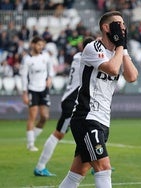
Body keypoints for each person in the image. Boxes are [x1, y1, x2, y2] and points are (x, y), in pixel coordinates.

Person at [59, 11, 138, 188]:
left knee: (78, 172)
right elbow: (111, 68)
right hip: (87, 117)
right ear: (106, 27)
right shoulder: (93, 47)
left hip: (103, 119)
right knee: (104, 168)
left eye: (124, 24)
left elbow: (132, 77)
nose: (123, 27)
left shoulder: (118, 52)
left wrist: (122, 48)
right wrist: (119, 48)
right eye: (119, 24)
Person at [33, 37, 94, 177]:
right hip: (72, 102)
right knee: (58, 134)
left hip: (76, 101)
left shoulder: (78, 57)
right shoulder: (84, 58)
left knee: (89, 132)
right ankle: (40, 166)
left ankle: (95, 164)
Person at [20, 36, 53, 152]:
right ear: (33, 44)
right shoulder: (27, 59)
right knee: (32, 116)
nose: (41, 47)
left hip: (44, 89)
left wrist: (50, 78)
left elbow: (51, 69)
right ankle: (30, 144)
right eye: (39, 44)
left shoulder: (46, 56)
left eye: (42, 45)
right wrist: (24, 93)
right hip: (32, 90)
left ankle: (32, 137)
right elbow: (23, 76)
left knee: (44, 116)